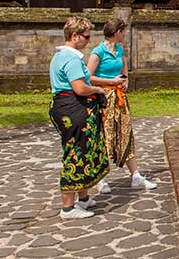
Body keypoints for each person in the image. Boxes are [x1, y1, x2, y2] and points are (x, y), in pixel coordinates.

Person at [87, 18, 157, 194]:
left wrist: (124, 80)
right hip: (104, 98)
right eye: (123, 31)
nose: (125, 34)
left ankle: (136, 176)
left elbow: (124, 68)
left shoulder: (119, 50)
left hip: (119, 97)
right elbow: (88, 77)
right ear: (117, 32)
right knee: (105, 135)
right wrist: (110, 81)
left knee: (126, 132)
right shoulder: (98, 52)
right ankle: (100, 178)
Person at [48, 16, 108, 219]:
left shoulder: (61, 56)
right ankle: (67, 207)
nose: (88, 41)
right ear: (74, 36)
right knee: (75, 153)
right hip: (72, 109)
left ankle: (83, 198)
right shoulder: (71, 58)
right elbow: (80, 87)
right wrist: (98, 89)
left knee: (83, 150)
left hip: (65, 107)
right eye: (86, 37)